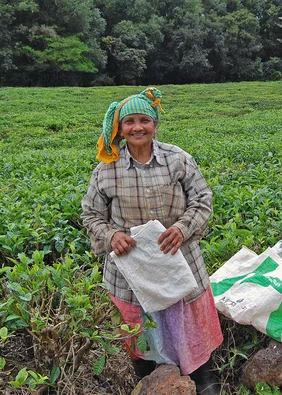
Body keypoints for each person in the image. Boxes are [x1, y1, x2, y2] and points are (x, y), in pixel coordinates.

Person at [81, 87, 223, 394]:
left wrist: (183, 228)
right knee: (140, 334)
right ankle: (149, 381)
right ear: (120, 128)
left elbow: (202, 199)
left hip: (179, 260)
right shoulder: (107, 169)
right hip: (130, 273)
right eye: (129, 121)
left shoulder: (178, 159)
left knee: (188, 329)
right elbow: (91, 214)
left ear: (155, 124)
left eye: (144, 119)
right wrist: (111, 235)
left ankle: (203, 380)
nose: (137, 127)